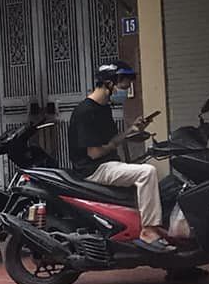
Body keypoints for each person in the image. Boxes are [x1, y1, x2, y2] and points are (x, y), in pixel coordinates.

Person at [67, 61, 167, 246]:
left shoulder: (104, 108)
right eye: (124, 86)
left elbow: (112, 139)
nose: (126, 91)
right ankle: (149, 230)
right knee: (147, 172)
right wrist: (113, 145)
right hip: (93, 169)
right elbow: (95, 153)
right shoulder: (85, 112)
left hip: (108, 164)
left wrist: (132, 130)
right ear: (109, 83)